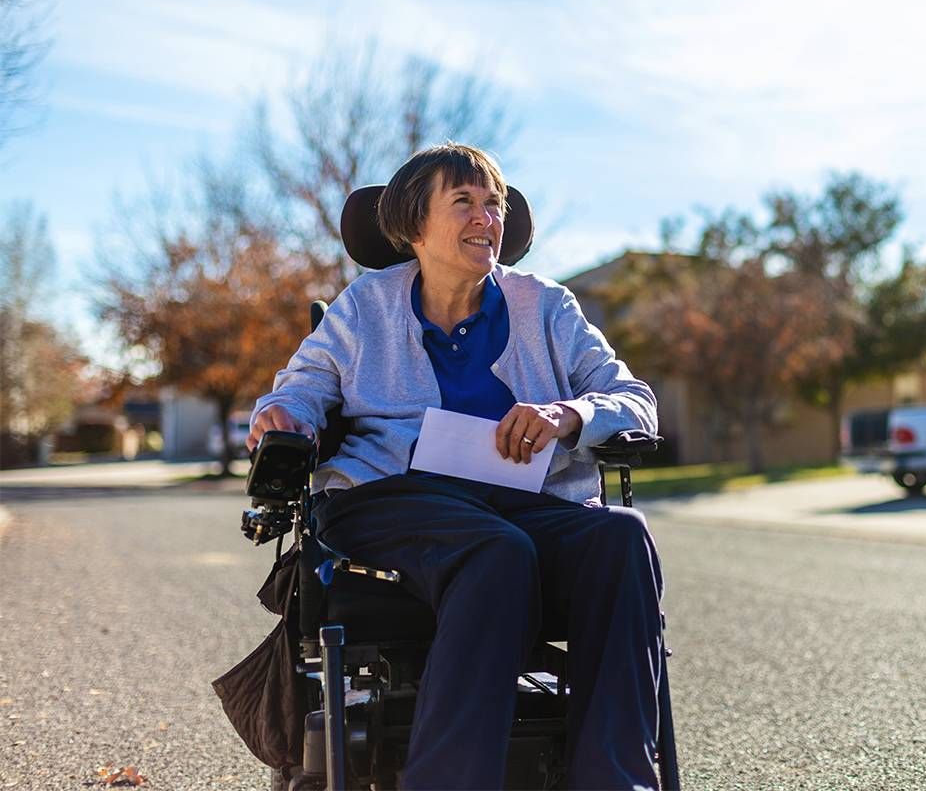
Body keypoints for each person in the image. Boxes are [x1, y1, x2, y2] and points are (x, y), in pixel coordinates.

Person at [247, 144, 664, 790]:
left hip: (527, 502)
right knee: (495, 551)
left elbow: (634, 399)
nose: (485, 219)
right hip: (393, 498)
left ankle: (614, 780)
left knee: (620, 536)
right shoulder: (365, 306)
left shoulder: (546, 306)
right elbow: (299, 388)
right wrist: (283, 417)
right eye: (463, 202)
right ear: (414, 225)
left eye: (493, 205)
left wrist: (571, 416)